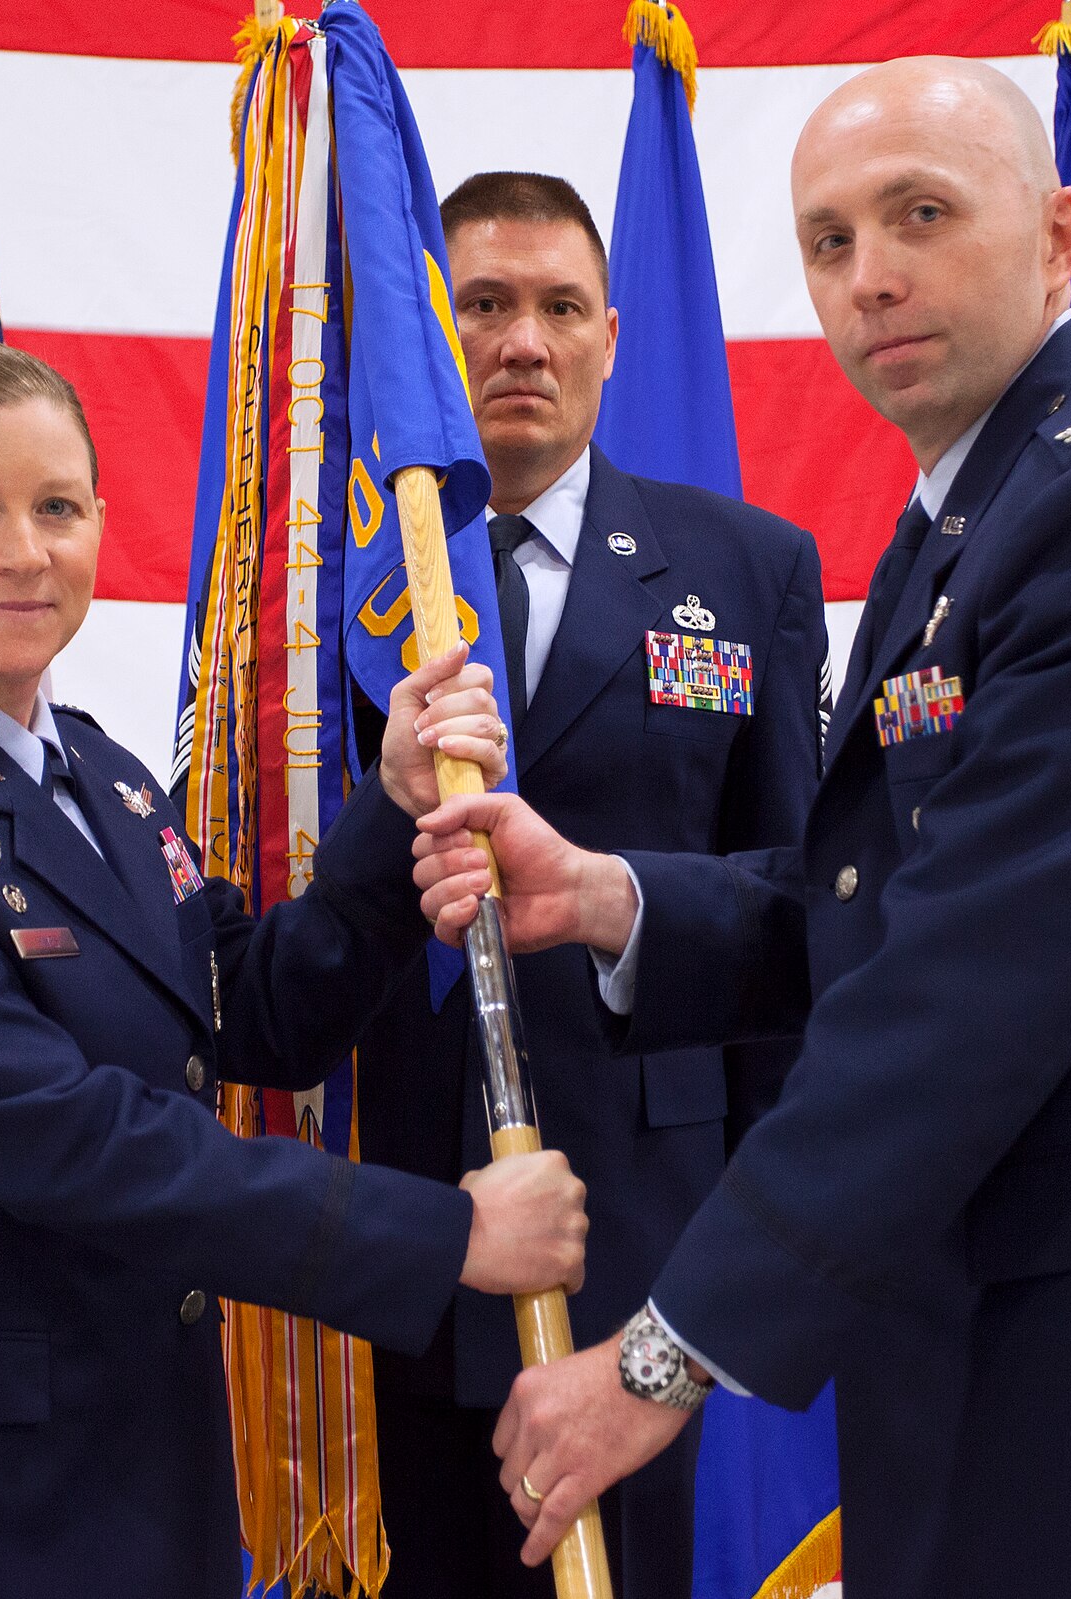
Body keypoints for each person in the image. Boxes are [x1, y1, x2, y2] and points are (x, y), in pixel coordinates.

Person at [412, 59, 1071, 1599]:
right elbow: (884, 888)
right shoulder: (974, 517)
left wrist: (661, 1354)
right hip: (1018, 1351)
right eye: (827, 241)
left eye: (923, 214)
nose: (870, 276)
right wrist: (618, 898)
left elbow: (969, 979)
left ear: (1058, 232)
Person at [0, 340, 590, 1599]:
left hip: (126, 1482)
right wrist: (442, 1237)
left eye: (57, 507)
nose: (24, 550)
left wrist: (391, 816)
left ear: (102, 525)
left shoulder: (101, 785)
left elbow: (253, 1014)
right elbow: (71, 1138)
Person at [351, 172, 826, 1599]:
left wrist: (770, 1235)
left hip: (643, 1235)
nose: (522, 342)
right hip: (392, 1219)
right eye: (481, 305)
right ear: (432, 328)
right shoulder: (342, 577)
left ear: (613, 334)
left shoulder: (747, 569)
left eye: (560, 307)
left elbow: (794, 903)